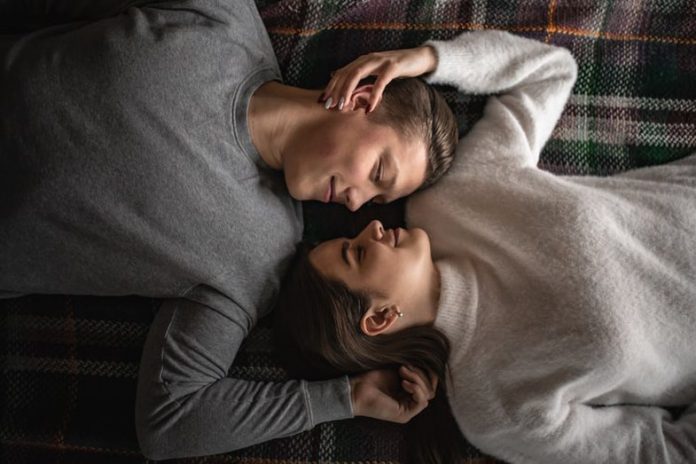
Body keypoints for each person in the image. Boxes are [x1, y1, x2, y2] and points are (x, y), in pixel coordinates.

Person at [0, 0, 458, 459]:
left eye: (376, 201)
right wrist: (428, 57)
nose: (356, 205)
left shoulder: (259, 259)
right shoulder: (223, 18)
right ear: (360, 99)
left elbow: (169, 422)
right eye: (378, 173)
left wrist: (347, 398)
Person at [274, 30, 696, 464]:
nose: (372, 226)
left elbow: (550, 72)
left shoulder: (448, 200)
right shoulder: (495, 409)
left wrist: (423, 60)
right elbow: (666, 453)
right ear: (380, 317)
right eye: (359, 253)